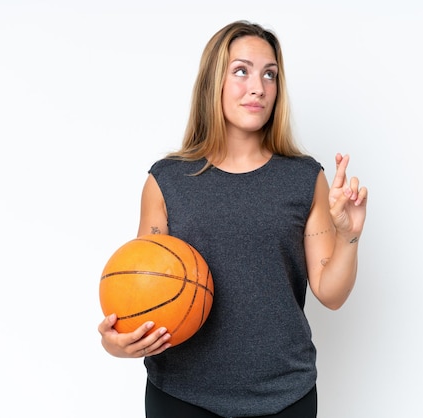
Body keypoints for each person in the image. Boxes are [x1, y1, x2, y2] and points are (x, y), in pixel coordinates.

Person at [98, 20, 368, 418]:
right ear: (214, 82)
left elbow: (331, 293)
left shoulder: (304, 177)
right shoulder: (166, 181)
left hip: (284, 394)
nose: (258, 86)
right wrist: (115, 341)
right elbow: (142, 291)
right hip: (181, 394)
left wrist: (348, 236)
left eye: (269, 74)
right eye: (241, 71)